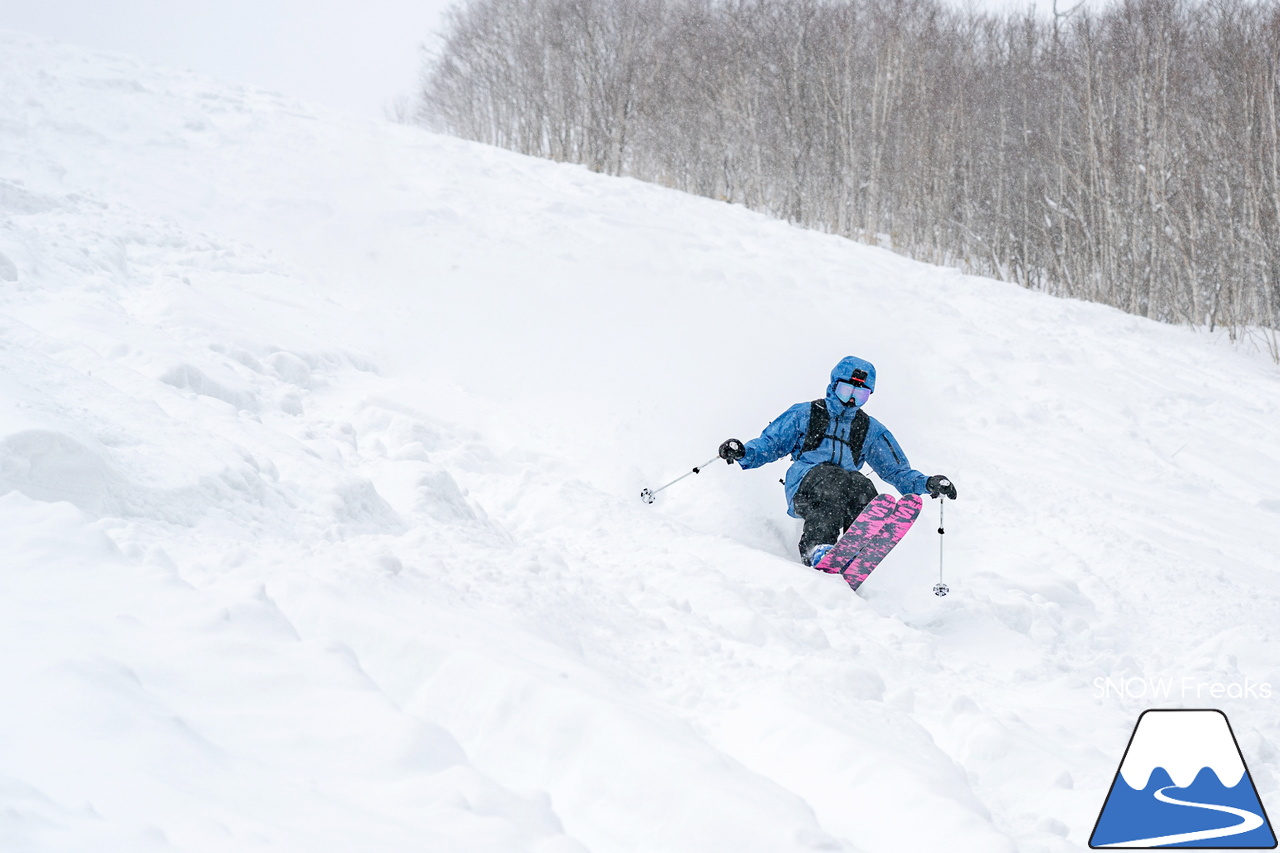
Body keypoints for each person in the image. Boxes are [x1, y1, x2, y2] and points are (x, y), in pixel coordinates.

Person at [718, 356, 956, 567]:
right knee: (834, 479)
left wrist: (927, 483)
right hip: (806, 484)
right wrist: (744, 452)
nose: (851, 400)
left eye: (860, 395)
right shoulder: (806, 413)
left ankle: (855, 548)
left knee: (861, 485)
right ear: (833, 387)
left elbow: (896, 470)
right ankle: (817, 548)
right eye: (846, 392)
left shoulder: (870, 429)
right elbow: (770, 443)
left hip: (845, 486)